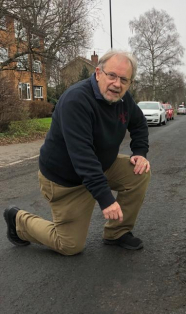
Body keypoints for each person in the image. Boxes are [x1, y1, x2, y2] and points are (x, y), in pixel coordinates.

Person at [4, 50, 151, 255]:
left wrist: (140, 152)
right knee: (70, 246)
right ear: (98, 73)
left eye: (124, 79)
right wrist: (106, 199)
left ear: (130, 83)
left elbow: (139, 124)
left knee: (139, 172)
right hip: (65, 180)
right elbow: (82, 156)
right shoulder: (76, 100)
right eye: (112, 76)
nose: (117, 84)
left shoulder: (124, 100)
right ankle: (18, 220)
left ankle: (117, 232)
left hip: (100, 167)